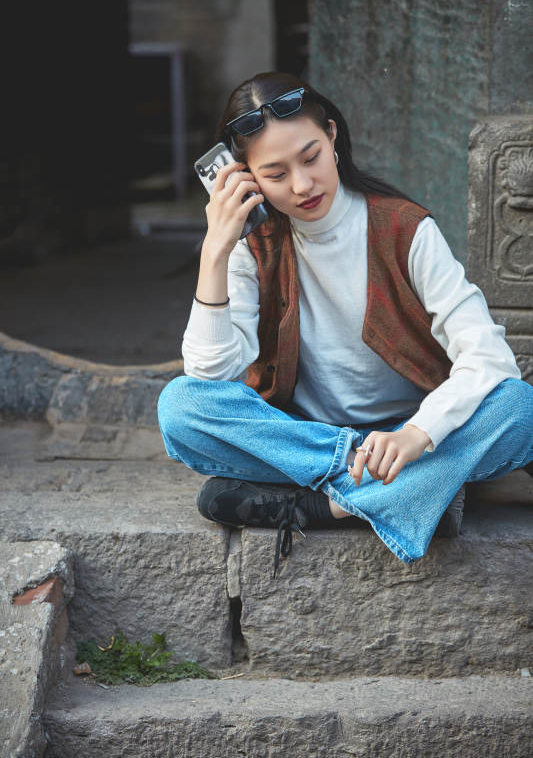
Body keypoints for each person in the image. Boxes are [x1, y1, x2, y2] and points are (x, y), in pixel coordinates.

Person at [157, 71, 533, 578]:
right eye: (275, 173)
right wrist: (216, 250)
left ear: (333, 136)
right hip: (308, 438)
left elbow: (488, 357)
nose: (302, 185)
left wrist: (417, 435)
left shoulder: (405, 229)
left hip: (413, 437)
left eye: (310, 157)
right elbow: (210, 377)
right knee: (180, 407)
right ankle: (408, 492)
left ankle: (323, 507)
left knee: (518, 407)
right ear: (243, 177)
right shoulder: (252, 248)